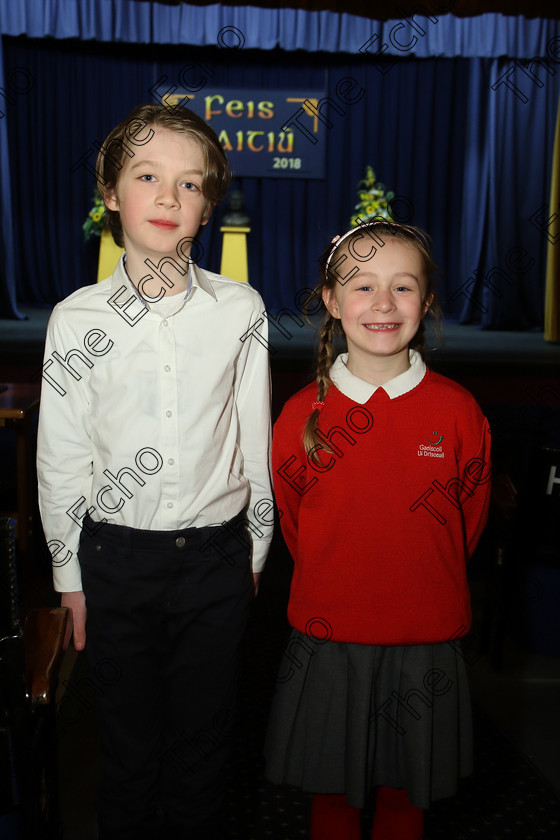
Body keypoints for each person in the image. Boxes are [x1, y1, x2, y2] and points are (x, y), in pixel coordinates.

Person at [37, 103, 273, 840]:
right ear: (110, 192)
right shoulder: (75, 320)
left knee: (205, 753)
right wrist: (69, 579)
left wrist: (255, 554)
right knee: (127, 753)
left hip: (214, 560)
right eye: (148, 177)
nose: (170, 198)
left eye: (191, 183)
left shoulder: (239, 310)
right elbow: (63, 455)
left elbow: (252, 443)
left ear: (208, 204)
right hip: (115, 560)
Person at [265, 220, 491, 840]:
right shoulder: (297, 418)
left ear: (428, 302)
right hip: (329, 639)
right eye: (363, 287)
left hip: (425, 641)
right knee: (331, 800)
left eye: (403, 287)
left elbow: (466, 524)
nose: (384, 305)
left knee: (404, 799)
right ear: (333, 304)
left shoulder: (457, 410)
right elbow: (293, 522)